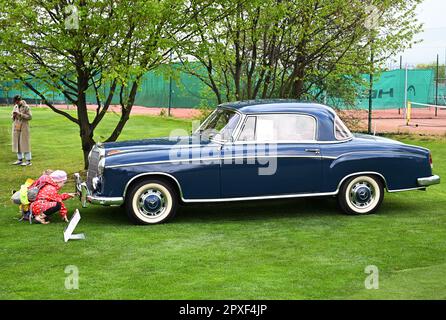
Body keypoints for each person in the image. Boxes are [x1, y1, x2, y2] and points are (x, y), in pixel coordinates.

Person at [11, 95, 33, 166]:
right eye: (15, 102)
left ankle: (28, 161)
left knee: (25, 143)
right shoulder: (15, 106)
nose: (16, 103)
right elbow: (12, 117)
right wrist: (13, 116)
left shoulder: (26, 107)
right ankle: (19, 160)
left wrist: (20, 114)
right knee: (17, 143)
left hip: (24, 126)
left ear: (20, 100)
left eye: (17, 101)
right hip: (16, 126)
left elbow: (30, 117)